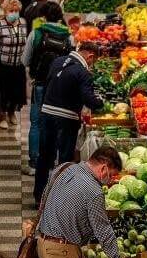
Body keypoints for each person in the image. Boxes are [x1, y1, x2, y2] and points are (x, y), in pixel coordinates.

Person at [33, 44, 103, 204]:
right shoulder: (83, 72)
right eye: (93, 61)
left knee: (44, 156)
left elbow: (47, 84)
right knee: (64, 160)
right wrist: (100, 102)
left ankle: (39, 196)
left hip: (47, 113)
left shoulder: (57, 61)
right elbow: (88, 99)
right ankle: (59, 198)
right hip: (66, 118)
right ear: (90, 56)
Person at [23, 16, 70, 171]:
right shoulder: (68, 36)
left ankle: (35, 162)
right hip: (59, 87)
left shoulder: (36, 34)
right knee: (55, 123)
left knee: (36, 123)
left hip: (40, 84)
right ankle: (51, 161)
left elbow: (25, 60)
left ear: (44, 18)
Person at [0, 0, 28, 128]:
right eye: (11, 11)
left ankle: (12, 112)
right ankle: (2, 115)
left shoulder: (23, 23)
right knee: (3, 91)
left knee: (16, 91)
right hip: (3, 65)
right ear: (5, 11)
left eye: (16, 11)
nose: (14, 13)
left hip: (18, 64)